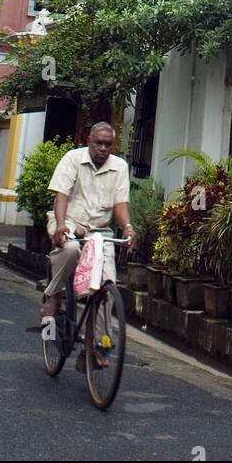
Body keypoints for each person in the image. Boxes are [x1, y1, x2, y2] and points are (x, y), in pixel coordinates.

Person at [40, 124, 136, 347]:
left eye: (108, 144)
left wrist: (129, 228)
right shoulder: (73, 159)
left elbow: (121, 203)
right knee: (71, 249)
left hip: (100, 232)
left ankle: (98, 345)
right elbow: (61, 195)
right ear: (88, 141)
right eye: (98, 143)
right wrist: (61, 225)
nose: (103, 148)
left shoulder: (120, 167)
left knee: (107, 288)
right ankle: (53, 294)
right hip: (71, 223)